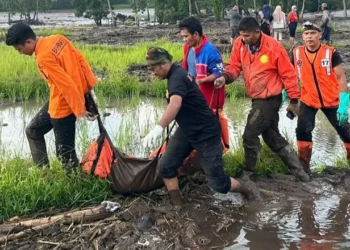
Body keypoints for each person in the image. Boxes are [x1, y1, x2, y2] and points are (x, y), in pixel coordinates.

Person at [142, 47, 260, 207]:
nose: (152, 73)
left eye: (153, 69)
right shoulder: (175, 75)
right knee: (166, 166)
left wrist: (159, 127)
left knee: (218, 183)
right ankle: (177, 206)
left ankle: (247, 190)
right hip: (187, 130)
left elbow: (175, 104)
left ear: (163, 65)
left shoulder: (177, 77)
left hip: (206, 133)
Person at [214, 17, 310, 182]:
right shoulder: (240, 44)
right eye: (242, 35)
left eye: (248, 36)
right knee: (272, 137)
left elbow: (288, 74)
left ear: (258, 32)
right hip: (256, 97)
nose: (244, 39)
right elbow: (234, 66)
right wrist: (225, 77)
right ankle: (301, 174)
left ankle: (248, 173)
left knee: (249, 135)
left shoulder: (273, 47)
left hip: (269, 99)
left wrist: (294, 99)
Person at [5, 23, 98, 170]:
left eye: (20, 49)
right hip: (66, 99)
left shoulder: (43, 58)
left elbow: (65, 84)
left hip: (64, 106)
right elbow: (81, 60)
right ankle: (43, 172)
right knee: (33, 130)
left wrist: (80, 109)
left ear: (29, 42)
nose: (20, 53)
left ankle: (74, 185)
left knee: (64, 153)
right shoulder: (58, 39)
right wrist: (89, 88)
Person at [291, 22, 350, 173]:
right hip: (308, 99)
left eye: (313, 33)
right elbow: (289, 74)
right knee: (302, 131)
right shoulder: (297, 53)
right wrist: (288, 93)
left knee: (346, 131)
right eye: (306, 34)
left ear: (320, 35)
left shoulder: (331, 53)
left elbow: (341, 78)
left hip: (331, 100)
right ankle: (304, 169)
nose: (309, 36)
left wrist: (344, 103)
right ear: (302, 36)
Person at [179, 16, 229, 151]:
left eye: (186, 36)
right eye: (182, 37)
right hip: (192, 96)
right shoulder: (187, 48)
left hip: (208, 99)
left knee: (208, 133)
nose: (184, 40)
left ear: (196, 34)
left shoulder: (211, 51)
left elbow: (219, 72)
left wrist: (203, 80)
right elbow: (186, 69)